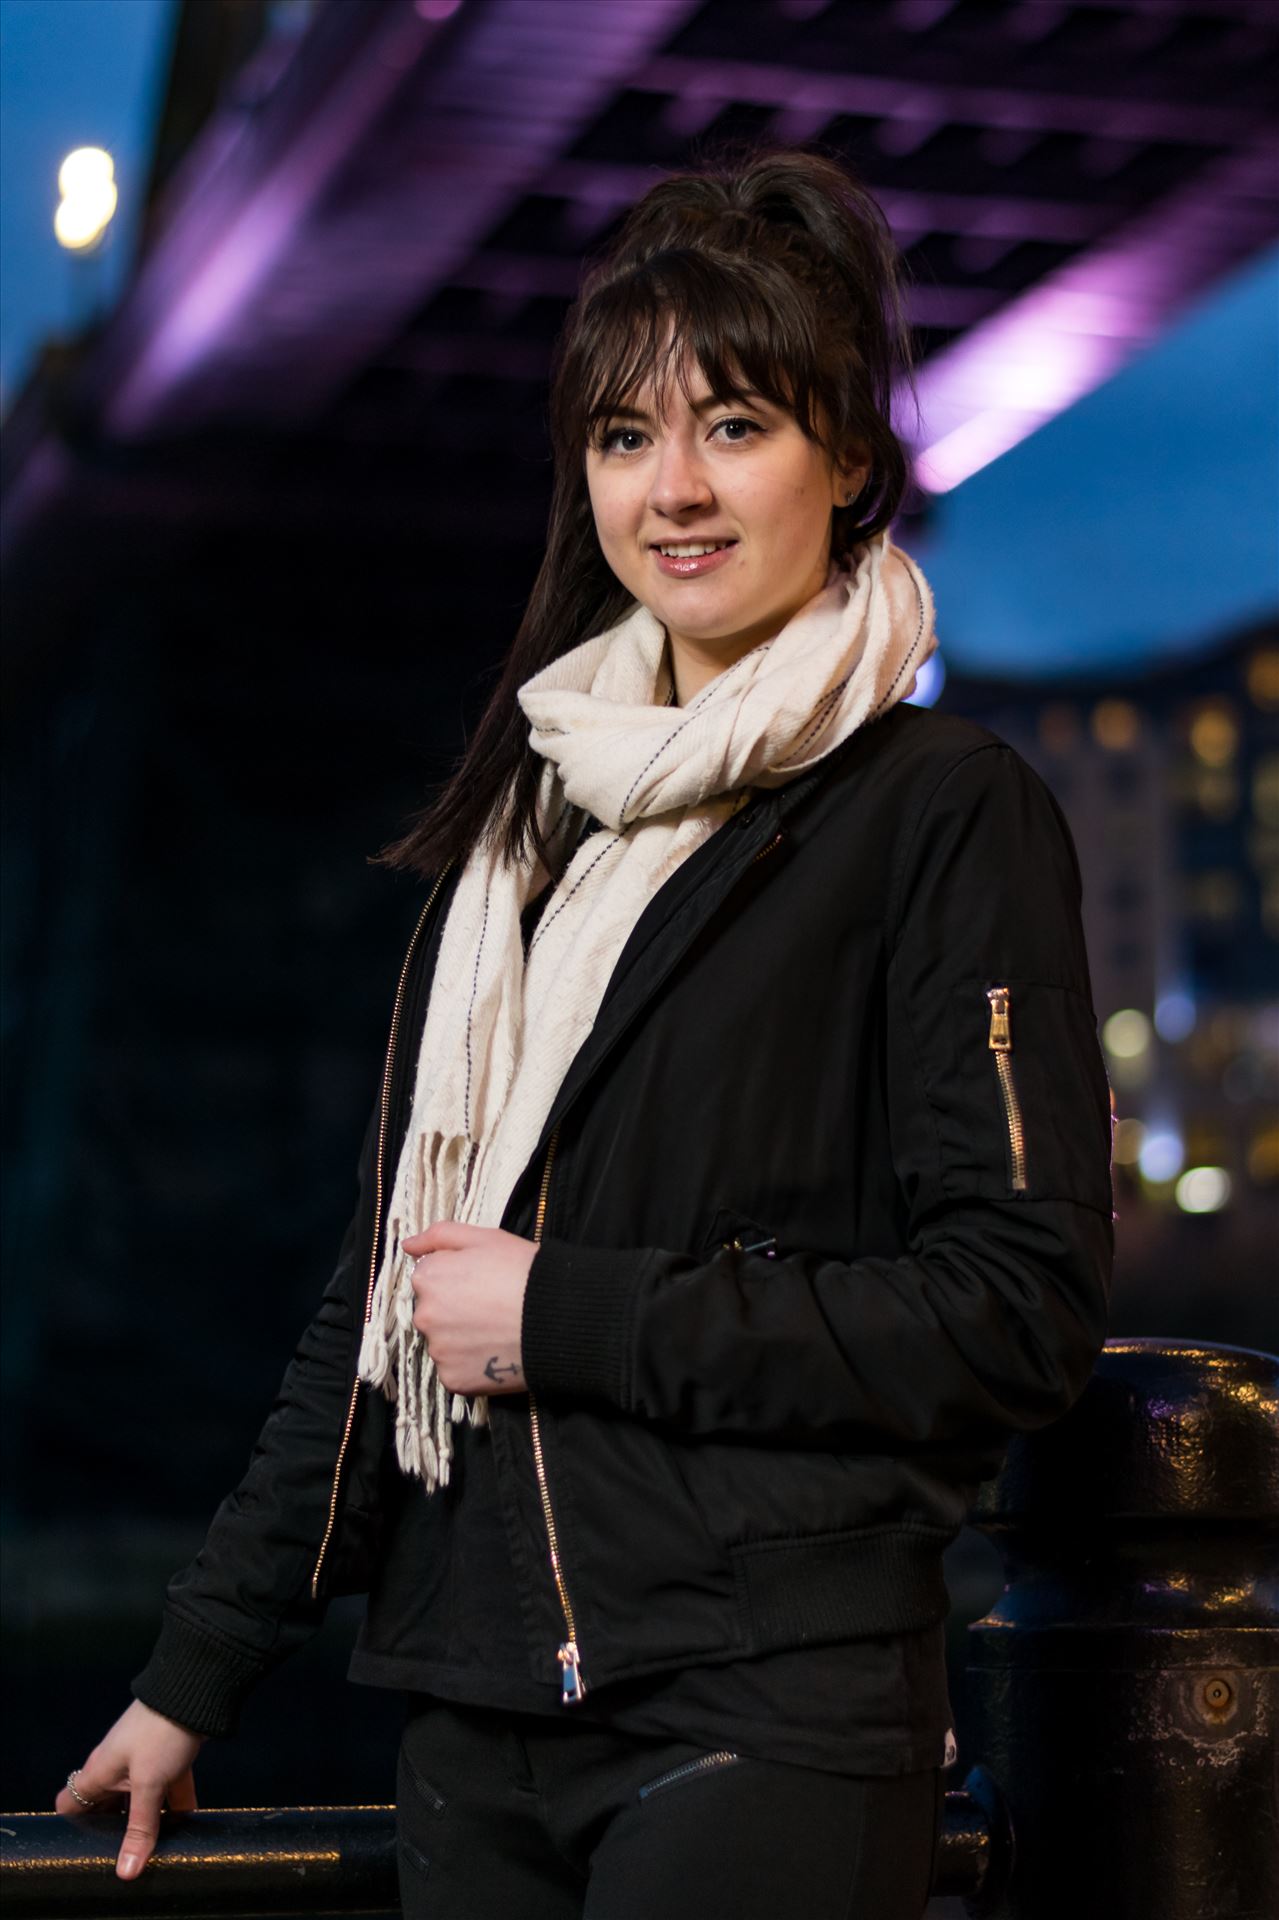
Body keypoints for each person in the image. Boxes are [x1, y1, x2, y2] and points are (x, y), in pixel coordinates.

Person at [55, 143, 1114, 1918]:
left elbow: (1013, 1309)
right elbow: (390, 1305)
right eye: (626, 438)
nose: (674, 492)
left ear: (850, 461)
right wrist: (194, 1671)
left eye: (738, 426)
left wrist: (566, 1312)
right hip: (475, 1724)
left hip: (761, 1709)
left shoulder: (940, 811)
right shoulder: (528, 835)